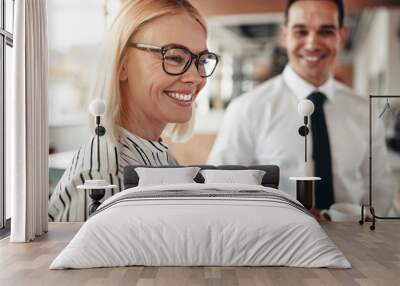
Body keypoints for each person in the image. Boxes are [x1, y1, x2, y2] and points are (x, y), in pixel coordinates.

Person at [208, 0, 394, 219]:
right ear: (285, 35)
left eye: (325, 31)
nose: (312, 43)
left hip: (352, 244)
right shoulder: (247, 109)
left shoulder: (364, 111)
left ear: (341, 36)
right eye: (301, 31)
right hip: (276, 245)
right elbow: (218, 189)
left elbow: (379, 190)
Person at [48, 0, 219, 222]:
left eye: (202, 60)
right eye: (175, 57)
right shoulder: (102, 177)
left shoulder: (159, 157)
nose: (196, 78)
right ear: (122, 64)